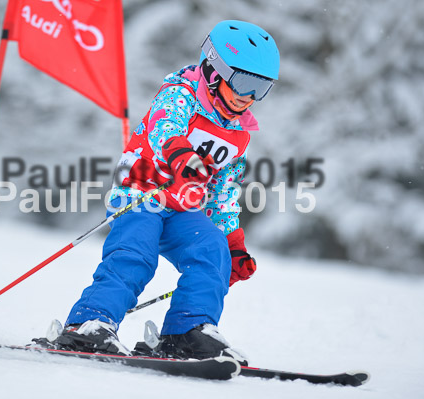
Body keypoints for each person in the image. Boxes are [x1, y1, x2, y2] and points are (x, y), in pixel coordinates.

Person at [47, 20, 280, 362]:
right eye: (244, 83)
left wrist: (232, 244)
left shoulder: (239, 134)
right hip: (141, 193)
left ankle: (187, 330)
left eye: (261, 89)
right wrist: (179, 152)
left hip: (184, 209)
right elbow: (165, 125)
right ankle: (90, 324)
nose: (248, 97)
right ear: (216, 70)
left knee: (211, 250)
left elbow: (224, 191)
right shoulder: (181, 92)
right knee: (135, 254)